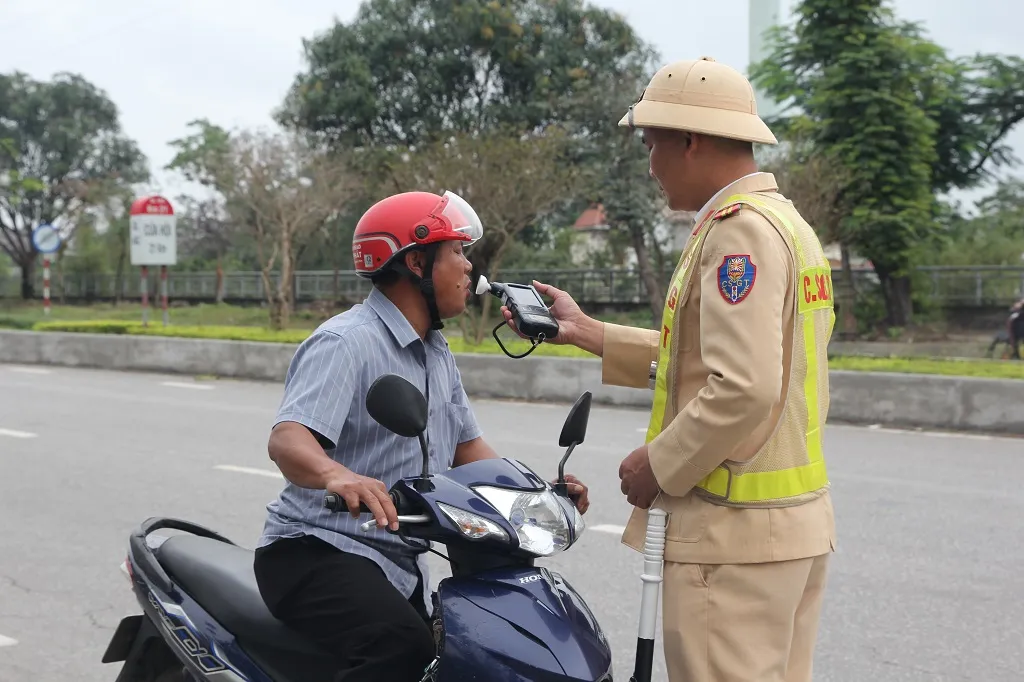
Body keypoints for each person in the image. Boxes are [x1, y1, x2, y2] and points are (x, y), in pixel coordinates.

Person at [503, 56, 836, 682]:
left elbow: (743, 386)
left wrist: (657, 464)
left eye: (653, 144)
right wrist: (592, 334)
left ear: (690, 140)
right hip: (789, 534)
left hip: (730, 545)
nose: (650, 165)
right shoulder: (788, 225)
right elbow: (730, 362)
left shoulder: (738, 235)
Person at [253, 189, 591, 682]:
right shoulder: (346, 342)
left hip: (393, 559)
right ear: (415, 262)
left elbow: (468, 451)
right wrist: (338, 476)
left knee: (461, 653)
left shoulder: (436, 352)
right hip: (314, 550)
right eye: (457, 252)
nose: (469, 267)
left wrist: (540, 496)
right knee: (401, 648)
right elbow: (288, 438)